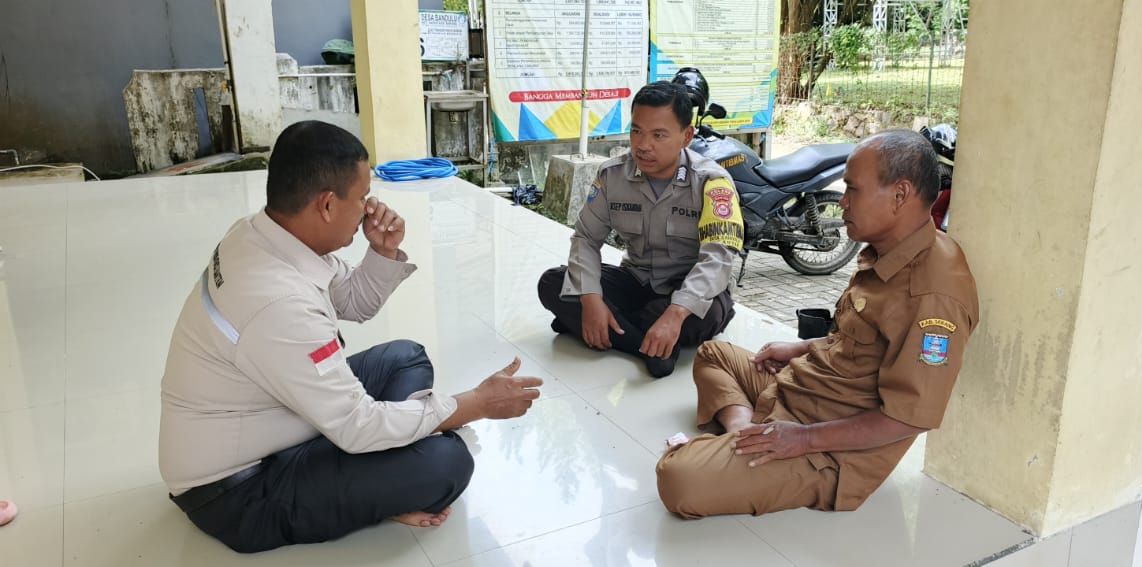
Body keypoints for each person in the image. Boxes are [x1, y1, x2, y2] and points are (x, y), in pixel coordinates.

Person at [158, 121, 543, 553]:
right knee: (447, 462)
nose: (368, 209)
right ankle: (383, 488)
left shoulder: (261, 234)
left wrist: (382, 250)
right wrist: (476, 404)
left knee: (405, 357)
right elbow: (357, 426)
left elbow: (355, 302)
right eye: (362, 197)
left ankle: (382, 472)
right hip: (236, 491)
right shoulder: (277, 302)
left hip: (276, 416)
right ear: (326, 204)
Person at [654, 130, 979, 518]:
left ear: (900, 194)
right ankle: (745, 432)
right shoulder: (890, 249)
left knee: (677, 478)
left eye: (853, 189)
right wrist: (801, 348)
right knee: (713, 354)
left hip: (830, 447)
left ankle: (751, 444)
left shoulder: (934, 296)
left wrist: (803, 439)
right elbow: (858, 341)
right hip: (802, 388)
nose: (842, 202)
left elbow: (907, 418)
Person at [537, 81, 744, 378]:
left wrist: (675, 312)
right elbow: (586, 238)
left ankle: (598, 326)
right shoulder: (612, 175)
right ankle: (645, 347)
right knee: (552, 283)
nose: (643, 145)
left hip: (686, 287)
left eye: (658, 135)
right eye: (637, 131)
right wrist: (591, 299)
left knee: (703, 314)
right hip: (637, 280)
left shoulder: (712, 183)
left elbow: (718, 258)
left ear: (686, 136)